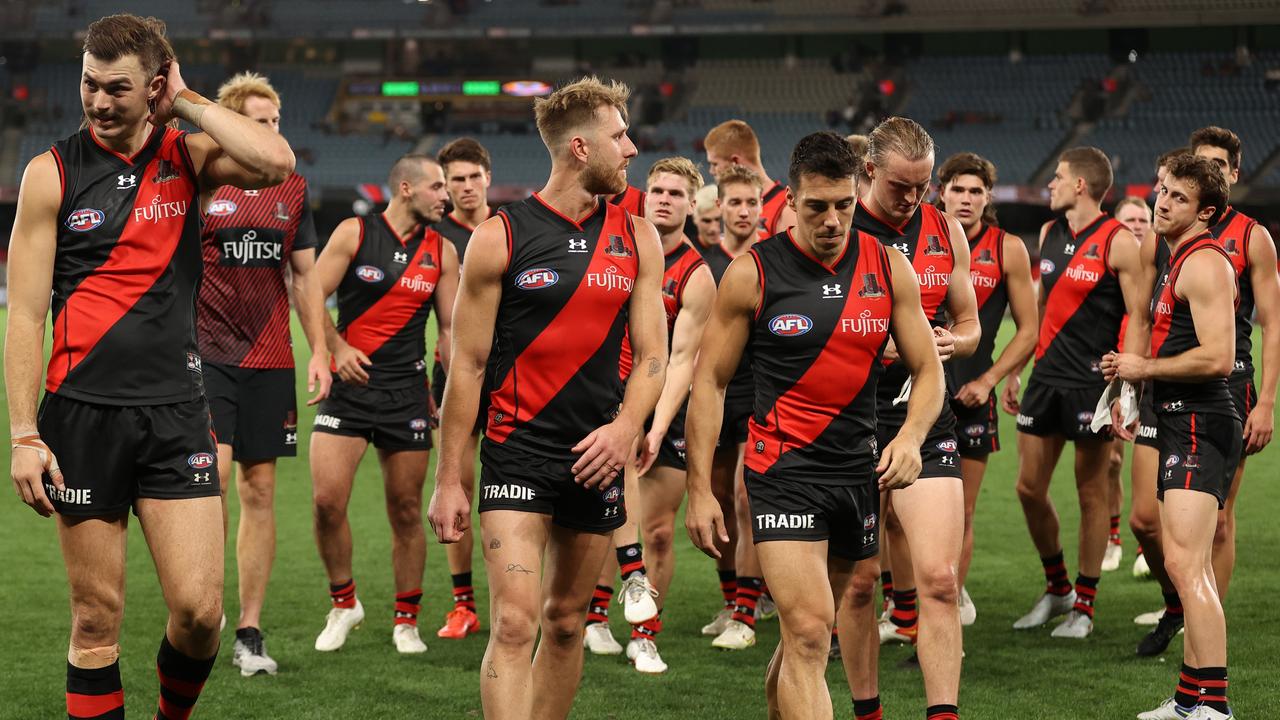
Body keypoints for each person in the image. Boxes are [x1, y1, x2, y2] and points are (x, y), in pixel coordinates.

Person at [6, 13, 294, 717]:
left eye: (118, 89)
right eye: (89, 84)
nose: (99, 102)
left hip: (175, 413)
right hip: (80, 416)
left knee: (199, 613)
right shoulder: (50, 173)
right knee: (96, 620)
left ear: (157, 87)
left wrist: (191, 104)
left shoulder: (186, 156)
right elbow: (24, 314)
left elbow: (276, 163)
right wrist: (22, 435)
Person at [426, 77, 667, 720]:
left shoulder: (639, 236)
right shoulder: (501, 236)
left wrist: (624, 430)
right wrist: (450, 477)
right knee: (513, 622)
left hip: (598, 453)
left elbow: (652, 358)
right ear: (581, 148)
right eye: (620, 136)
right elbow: (468, 366)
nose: (632, 149)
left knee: (564, 623)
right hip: (517, 449)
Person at [684, 129, 944, 720]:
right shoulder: (754, 273)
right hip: (782, 471)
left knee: (806, 633)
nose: (832, 220)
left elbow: (929, 370)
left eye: (844, 206)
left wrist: (909, 438)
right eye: (816, 207)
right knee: (807, 633)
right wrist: (702, 490)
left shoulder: (888, 266)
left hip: (857, 471)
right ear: (792, 201)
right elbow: (710, 383)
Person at [840, 117, 979, 720]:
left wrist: (950, 345)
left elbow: (970, 321)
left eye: (923, 186)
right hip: (847, 418)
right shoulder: (835, 224)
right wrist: (873, 342)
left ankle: (942, 714)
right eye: (901, 186)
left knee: (940, 580)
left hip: (925, 414)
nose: (913, 199)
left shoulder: (944, 229)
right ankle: (867, 711)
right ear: (869, 172)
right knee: (861, 582)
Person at [196, 70, 331, 676]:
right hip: (205, 355)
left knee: (260, 489)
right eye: (259, 122)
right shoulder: (203, 178)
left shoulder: (294, 189)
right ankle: (206, 606)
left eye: (276, 122)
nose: (272, 133)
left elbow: (304, 277)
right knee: (214, 481)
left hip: (270, 356)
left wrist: (321, 351)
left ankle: (249, 626)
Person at [1104, 154, 1240, 720]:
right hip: (1182, 418)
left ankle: (1214, 706)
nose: (1161, 202)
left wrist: (1142, 370)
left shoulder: (1205, 263)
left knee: (1187, 568)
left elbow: (1220, 356)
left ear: (1205, 211)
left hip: (1199, 422)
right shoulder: (1174, 256)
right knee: (1191, 567)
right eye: (1161, 191)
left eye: (1177, 197)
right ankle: (1190, 702)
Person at [309, 154, 458, 655]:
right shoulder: (355, 232)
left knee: (407, 509)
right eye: (438, 186)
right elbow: (309, 290)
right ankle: (344, 602)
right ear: (407, 188)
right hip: (348, 390)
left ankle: (406, 620)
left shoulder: (444, 252)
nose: (446, 195)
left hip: (407, 394)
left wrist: (449, 389)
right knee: (327, 502)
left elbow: (452, 331)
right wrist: (335, 347)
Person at [583, 156, 716, 674]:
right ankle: (595, 614)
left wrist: (653, 426)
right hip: (603, 394)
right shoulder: (618, 244)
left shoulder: (698, 275)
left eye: (676, 193)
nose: (664, 199)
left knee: (657, 529)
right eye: (656, 190)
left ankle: (644, 634)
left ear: (691, 203)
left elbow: (683, 360)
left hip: (665, 407)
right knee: (601, 518)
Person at [1008, 147, 1147, 639]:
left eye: (1059, 176)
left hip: (1092, 384)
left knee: (1091, 493)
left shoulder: (1118, 241)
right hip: (1046, 379)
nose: (1051, 183)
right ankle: (1058, 588)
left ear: (1082, 186)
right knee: (1028, 488)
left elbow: (1140, 315)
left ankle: (1083, 608)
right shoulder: (1049, 233)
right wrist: (1017, 369)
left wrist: (1125, 387)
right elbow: (1042, 309)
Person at [936, 152, 1037, 628]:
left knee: (962, 512)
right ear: (942, 191)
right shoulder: (922, 238)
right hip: (911, 394)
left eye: (976, 191)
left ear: (988, 198)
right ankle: (903, 607)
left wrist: (989, 380)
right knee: (892, 512)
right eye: (958, 189)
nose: (967, 198)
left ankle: (948, 607)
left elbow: (1028, 330)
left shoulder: (1007, 248)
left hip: (971, 398)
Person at [1189, 126, 1279, 601]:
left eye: (1219, 165)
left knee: (1219, 516)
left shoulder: (1252, 236)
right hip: (1172, 384)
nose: (1210, 171)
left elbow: (1273, 325)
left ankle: (1208, 616)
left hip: (1231, 386)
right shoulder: (1172, 228)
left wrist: (1265, 403)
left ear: (1234, 173)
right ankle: (1180, 606)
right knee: (1158, 514)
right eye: (1201, 162)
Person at [697, 165, 772, 650]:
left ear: (762, 207)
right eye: (735, 202)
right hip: (717, 391)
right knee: (720, 500)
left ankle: (747, 612)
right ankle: (732, 603)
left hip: (764, 393)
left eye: (751, 203)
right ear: (718, 207)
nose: (743, 211)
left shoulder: (775, 259)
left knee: (746, 500)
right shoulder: (702, 263)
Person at [431, 137, 496, 641]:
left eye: (474, 177)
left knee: (518, 489)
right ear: (446, 185)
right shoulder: (436, 238)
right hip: (454, 376)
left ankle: (524, 596)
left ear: (488, 178)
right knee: (459, 485)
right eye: (457, 179)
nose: (467, 187)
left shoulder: (509, 230)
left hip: (511, 378)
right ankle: (463, 605)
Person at [1100, 195, 1154, 574]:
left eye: (1143, 218)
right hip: (1115, 367)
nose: (1137, 224)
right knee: (1112, 461)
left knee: (1153, 461)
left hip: (1155, 369)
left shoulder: (1160, 261)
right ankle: (1112, 537)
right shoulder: (1111, 262)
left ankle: (1146, 543)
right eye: (1129, 219)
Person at [704, 119, 797, 237]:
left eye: (715, 164)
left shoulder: (785, 209)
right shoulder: (724, 205)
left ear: (735, 162)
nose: (711, 171)